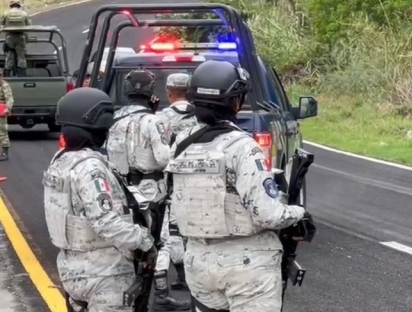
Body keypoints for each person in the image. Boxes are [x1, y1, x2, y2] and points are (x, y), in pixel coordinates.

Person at [165, 60, 315, 312]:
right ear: (236, 102)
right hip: (245, 266)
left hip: (198, 263)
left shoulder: (181, 144)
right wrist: (299, 213)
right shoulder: (242, 147)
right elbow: (267, 214)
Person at [43, 87, 157, 311]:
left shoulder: (60, 160)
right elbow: (106, 222)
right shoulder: (91, 167)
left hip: (71, 266)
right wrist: (145, 242)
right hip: (104, 272)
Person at [105, 68, 190, 310]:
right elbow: (164, 159)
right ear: (152, 92)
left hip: (122, 188)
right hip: (151, 189)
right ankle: (159, 295)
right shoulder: (154, 121)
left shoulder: (115, 118)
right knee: (158, 241)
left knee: (126, 241)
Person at [155, 72, 198, 291]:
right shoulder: (201, 117)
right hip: (200, 181)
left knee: (170, 232)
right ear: (189, 92)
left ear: (169, 92)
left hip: (172, 184)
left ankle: (180, 275)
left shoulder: (161, 119)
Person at [0, 0, 31, 77]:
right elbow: (29, 24)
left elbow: (2, 23)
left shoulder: (6, 13)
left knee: (9, 58)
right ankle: (22, 77)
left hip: (10, 37)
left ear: (11, 5)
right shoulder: (24, 13)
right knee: (21, 57)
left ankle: (7, 77)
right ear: (19, 5)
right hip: (21, 37)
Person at [0, 73, 13, 161]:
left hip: (1, 111)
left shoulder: (4, 86)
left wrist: (7, 110)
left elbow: (9, 99)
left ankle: (5, 152)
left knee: (2, 131)